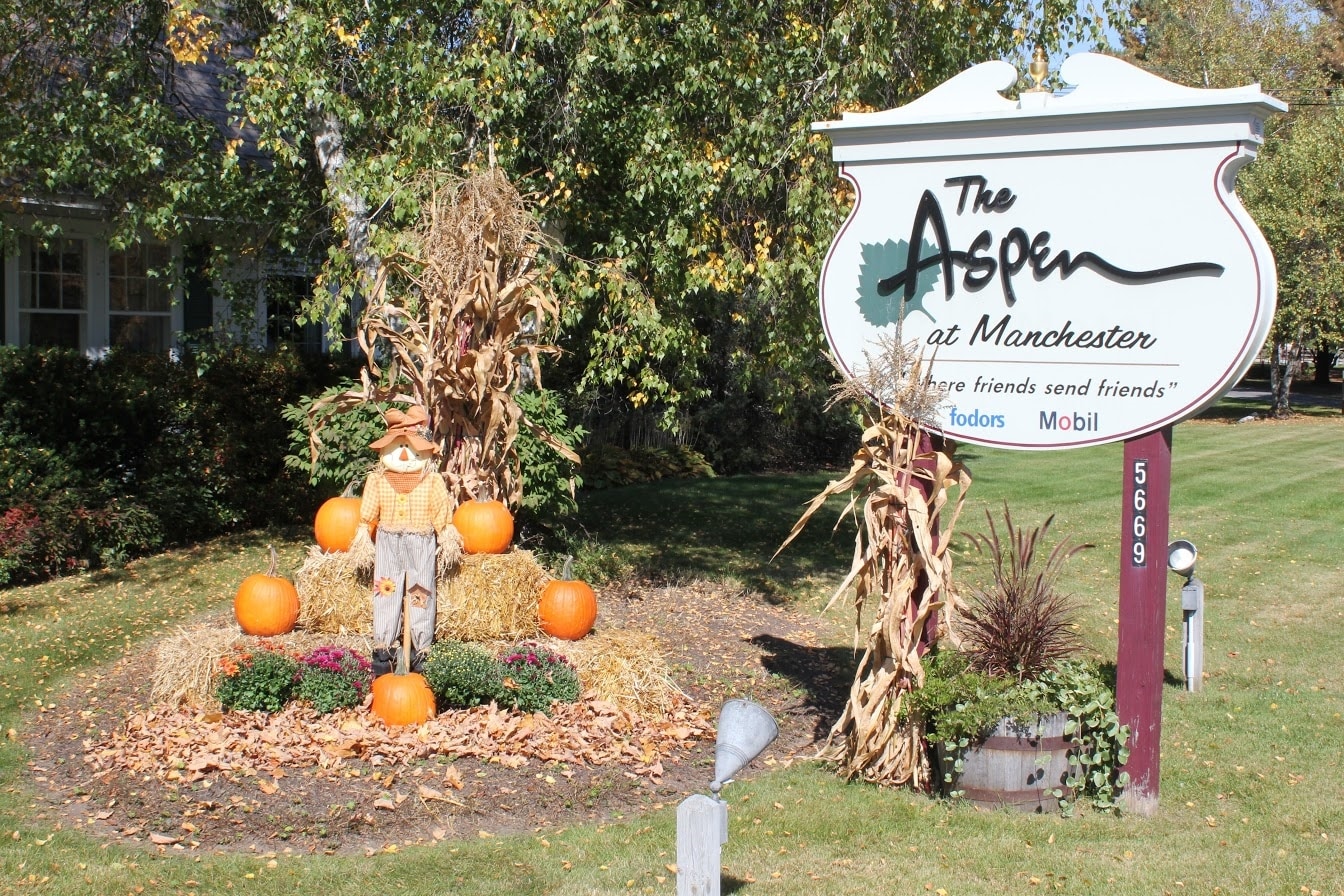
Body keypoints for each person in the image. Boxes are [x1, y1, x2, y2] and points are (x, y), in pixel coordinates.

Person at [349, 405, 462, 675]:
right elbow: (369, 513)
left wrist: (446, 534)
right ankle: (383, 650)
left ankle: (420, 649)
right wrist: (364, 532)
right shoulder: (377, 480)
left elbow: (440, 513)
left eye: (411, 448)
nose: (403, 454)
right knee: (385, 591)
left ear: (424, 451)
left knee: (420, 592)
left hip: (421, 542)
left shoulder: (432, 480)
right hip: (388, 540)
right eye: (397, 448)